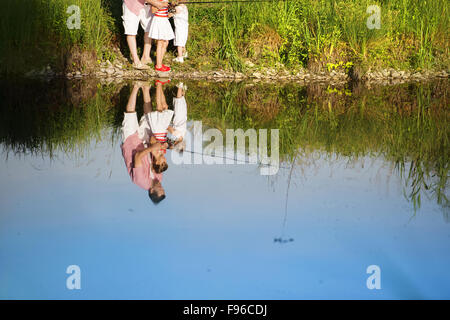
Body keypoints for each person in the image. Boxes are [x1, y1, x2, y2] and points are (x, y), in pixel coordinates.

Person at [121, 82, 168, 204]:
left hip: (131, 144)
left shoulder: (141, 181)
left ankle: (136, 86)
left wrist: (153, 147)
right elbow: (157, 158)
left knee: (130, 114)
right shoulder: (159, 177)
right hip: (145, 143)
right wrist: (161, 147)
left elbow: (137, 157)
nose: (161, 186)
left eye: (160, 189)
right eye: (163, 189)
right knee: (149, 118)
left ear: (152, 191)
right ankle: (145, 88)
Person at [122, 0, 154, 70]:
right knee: (131, 31)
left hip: (147, 5)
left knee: (150, 29)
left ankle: (146, 56)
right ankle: (136, 61)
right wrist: (156, 3)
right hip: (132, 4)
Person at [146, 0, 175, 72]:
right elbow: (153, 10)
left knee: (166, 42)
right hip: (159, 21)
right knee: (160, 43)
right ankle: (158, 65)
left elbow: (168, 14)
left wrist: (171, 9)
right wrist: (162, 4)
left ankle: (160, 63)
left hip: (165, 20)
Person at [168, 82, 187, 151]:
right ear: (176, 143)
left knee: (181, 100)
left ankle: (182, 88)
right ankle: (180, 85)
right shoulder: (177, 135)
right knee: (178, 100)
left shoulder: (183, 134)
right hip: (179, 115)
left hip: (183, 115)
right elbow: (168, 127)